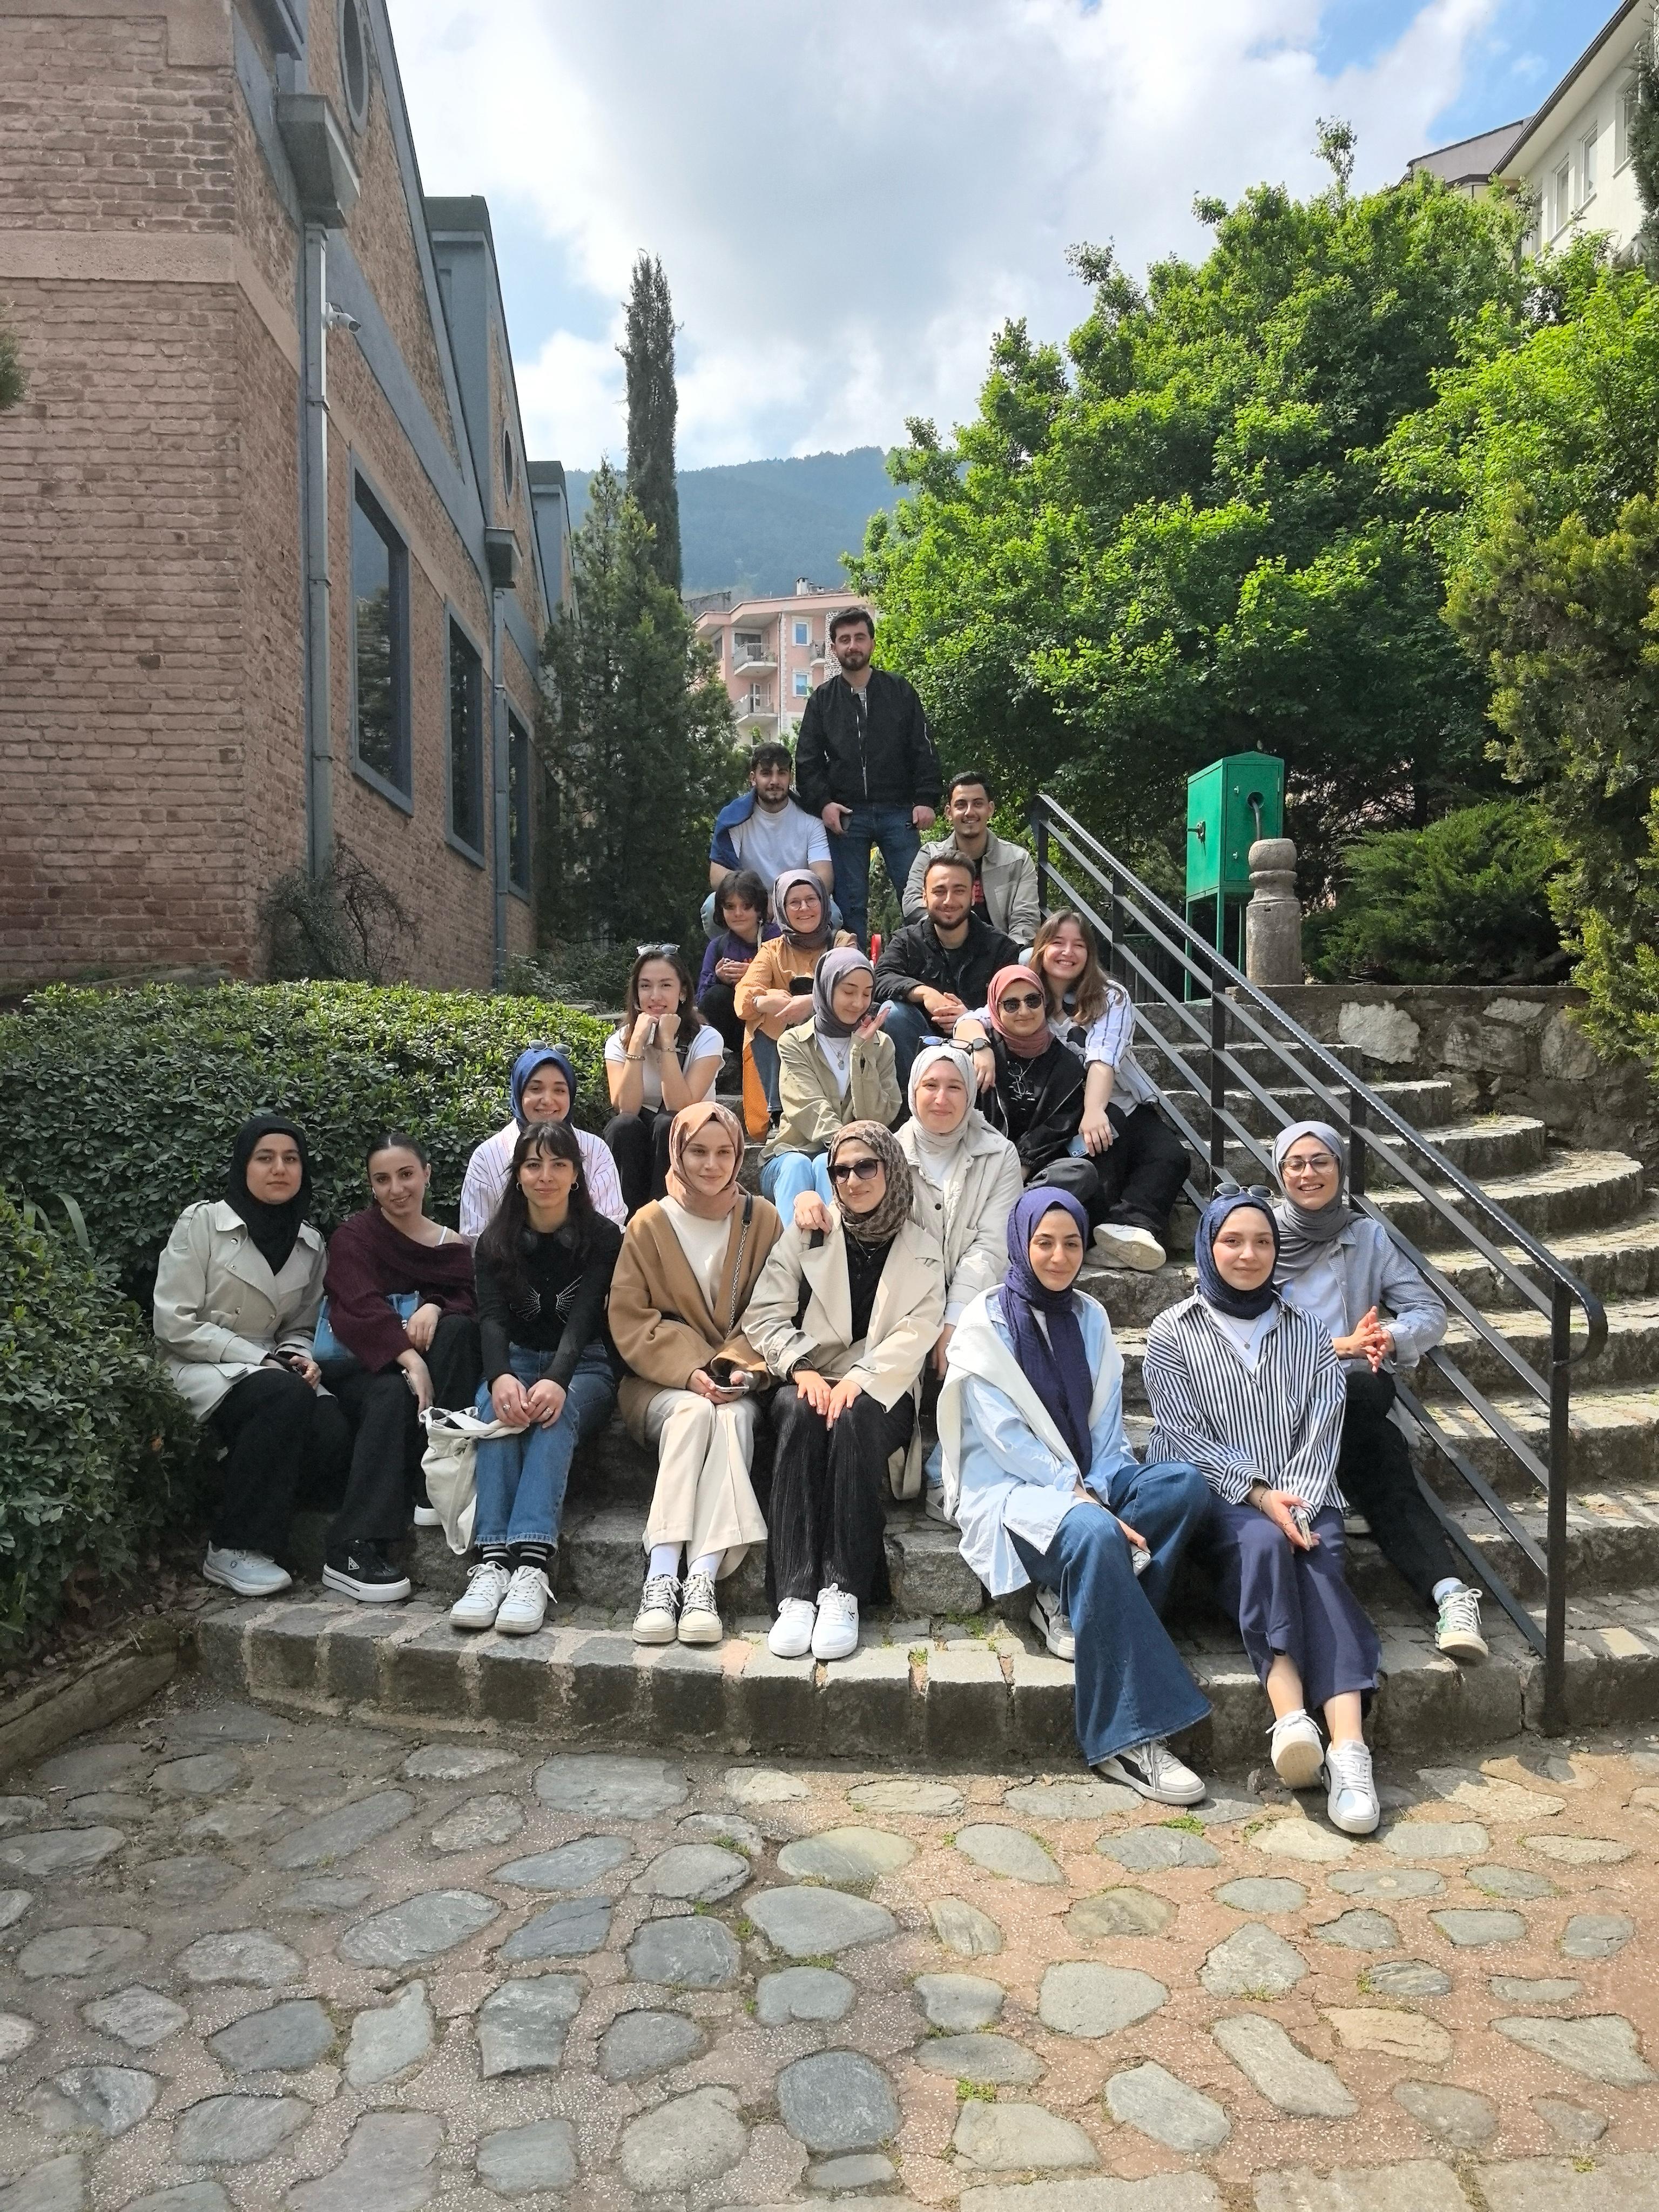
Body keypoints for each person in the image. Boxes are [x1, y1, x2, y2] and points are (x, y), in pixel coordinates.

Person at [939, 1191, 1212, 1801]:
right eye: (1045, 1242)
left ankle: (1078, 1603)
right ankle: (1127, 1736)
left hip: (1089, 1477)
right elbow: (1006, 1440)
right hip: (1012, 1490)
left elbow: (1106, 1429)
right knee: (1093, 1532)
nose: (1059, 1257)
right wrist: (1079, 1498)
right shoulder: (986, 1323)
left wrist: (1100, 1488)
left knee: (1182, 1487)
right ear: (1021, 1243)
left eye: (1071, 1243)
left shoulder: (1090, 1316)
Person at [1143, 1190, 1382, 1835]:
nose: (1248, 1254)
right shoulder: (1173, 1331)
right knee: (1263, 1544)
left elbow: (1324, 1425)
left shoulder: (1308, 1331)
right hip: (1220, 1496)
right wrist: (1257, 1493)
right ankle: (1290, 1715)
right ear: (1209, 1246)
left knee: (1320, 1561)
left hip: (1304, 1491)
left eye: (1263, 1242)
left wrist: (1293, 1496)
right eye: (1233, 1241)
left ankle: (1349, 1750)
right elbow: (1183, 1434)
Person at [1271, 1121, 1486, 1663]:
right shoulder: (1257, 1234)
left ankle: (1451, 1596)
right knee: (1372, 1422)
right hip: (1273, 1399)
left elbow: (1429, 1310)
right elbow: (1230, 1327)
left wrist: (1389, 1336)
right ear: (1280, 1173)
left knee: (1368, 1403)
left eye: (1321, 1160)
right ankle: (1343, 1488)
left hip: (1350, 1398)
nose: (1308, 1173)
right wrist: (1335, 1347)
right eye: (1295, 1163)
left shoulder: (1367, 1236)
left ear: (1340, 1168)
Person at [738, 1121, 945, 1662]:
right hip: (812, 1372)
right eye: (840, 1170)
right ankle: (794, 1592)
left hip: (883, 1386)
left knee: (854, 1417)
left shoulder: (924, 1248)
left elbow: (918, 1331)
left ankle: (842, 1588)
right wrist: (802, 1368)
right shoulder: (810, 1232)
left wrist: (859, 1380)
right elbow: (765, 1313)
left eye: (866, 1166)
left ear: (890, 1168)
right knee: (799, 1409)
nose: (852, 1180)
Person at [153, 1114, 349, 1598]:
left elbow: (301, 1325)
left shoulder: (309, 1243)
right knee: (283, 1397)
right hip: (199, 1363)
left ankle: (265, 1511)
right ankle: (233, 1546)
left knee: (332, 1429)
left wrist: (298, 1356)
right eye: (265, 1158)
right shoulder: (203, 1224)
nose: (279, 1169)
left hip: (270, 1368)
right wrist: (259, 1361)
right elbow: (174, 1322)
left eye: (291, 1159)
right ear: (244, 1166)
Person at [608, 1103, 782, 1647]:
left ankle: (701, 1576)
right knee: (691, 1415)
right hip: (659, 1383)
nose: (711, 1164)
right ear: (677, 1153)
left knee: (729, 1420)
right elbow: (631, 1317)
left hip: (738, 1380)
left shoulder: (763, 1220)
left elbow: (777, 1308)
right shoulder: (648, 1223)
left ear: (739, 1156)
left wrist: (735, 1371)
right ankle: (662, 1574)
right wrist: (689, 1371)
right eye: (698, 1151)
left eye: (724, 1152)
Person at [450, 1121, 623, 1636]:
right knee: (496, 1412)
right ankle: (491, 1563)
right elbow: (491, 1319)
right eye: (533, 1165)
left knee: (553, 1413)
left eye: (558, 1164)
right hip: (517, 1359)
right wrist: (500, 1376)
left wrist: (558, 1380)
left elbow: (585, 1316)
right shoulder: (494, 1242)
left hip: (585, 1365)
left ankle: (531, 1564)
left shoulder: (602, 1237)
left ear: (576, 1174)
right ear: (518, 1175)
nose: (545, 1176)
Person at [957, 913, 1188, 1272]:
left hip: (1116, 1101)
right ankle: (1095, 1232)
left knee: (1170, 1156)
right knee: (1093, 1160)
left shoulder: (1111, 997)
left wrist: (1095, 1110)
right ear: (1041, 948)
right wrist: (979, 1045)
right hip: (1064, 1109)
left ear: (1090, 953)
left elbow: (1103, 1058)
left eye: (1078, 945)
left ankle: (1128, 1229)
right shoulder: (1028, 992)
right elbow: (974, 1018)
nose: (1068, 952)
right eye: (1058, 943)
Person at [316, 1132, 481, 1602]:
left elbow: (469, 1298)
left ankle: (437, 1475)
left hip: (429, 1366)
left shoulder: (451, 1246)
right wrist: (408, 1359)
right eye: (383, 1179)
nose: (396, 1189)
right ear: (372, 1186)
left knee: (458, 1330)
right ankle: (353, 1547)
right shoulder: (354, 1238)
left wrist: (434, 1304)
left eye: (406, 1174)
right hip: (362, 1367)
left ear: (426, 1174)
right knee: (389, 1393)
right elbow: (356, 1306)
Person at [795, 606, 942, 947]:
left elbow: (922, 747)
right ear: (834, 647)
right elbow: (808, 761)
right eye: (844, 639)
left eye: (860, 637)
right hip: (846, 816)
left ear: (872, 643)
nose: (853, 646)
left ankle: (928, 964)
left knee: (917, 898)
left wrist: (926, 799)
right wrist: (824, 804)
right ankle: (852, 972)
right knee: (851, 907)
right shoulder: (822, 701)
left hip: (899, 811)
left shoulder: (899, 691)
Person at [761, 947, 901, 1212]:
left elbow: (876, 1117)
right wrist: (846, 1148)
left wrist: (861, 1052)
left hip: (857, 1163)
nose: (858, 1003)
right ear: (827, 988)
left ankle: (837, 1239)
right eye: (849, 992)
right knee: (801, 1165)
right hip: (792, 1154)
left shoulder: (882, 1045)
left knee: (829, 1166)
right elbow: (808, 1106)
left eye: (867, 994)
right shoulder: (794, 1042)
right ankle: (792, 1242)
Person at [874, 854, 1021, 1092]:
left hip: (981, 1049)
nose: (949, 900)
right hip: (921, 1047)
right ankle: (913, 1102)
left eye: (959, 891)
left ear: (973, 896)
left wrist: (970, 1019)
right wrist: (924, 993)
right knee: (893, 1013)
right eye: (939, 891)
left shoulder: (1001, 948)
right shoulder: (907, 940)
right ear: (925, 896)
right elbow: (880, 977)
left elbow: (1014, 1002)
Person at [460, 1044, 625, 1238]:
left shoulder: (595, 1150)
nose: (547, 1100)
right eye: (536, 1089)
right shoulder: (487, 1157)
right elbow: (475, 1236)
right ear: (519, 1092)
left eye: (559, 1090)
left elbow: (611, 1226)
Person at [604, 949, 724, 1216]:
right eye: (645, 986)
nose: (655, 996)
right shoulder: (618, 1041)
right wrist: (637, 1043)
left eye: (666, 986)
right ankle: (625, 1221)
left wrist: (667, 1042)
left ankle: (666, 1219)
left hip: (693, 1133)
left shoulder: (707, 1039)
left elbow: (680, 1106)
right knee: (623, 1126)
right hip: (638, 1136)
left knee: (667, 1123)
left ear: (683, 992)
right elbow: (625, 1108)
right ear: (636, 994)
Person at [734, 871, 857, 1118]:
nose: (804, 908)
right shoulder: (772, 950)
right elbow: (743, 998)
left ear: (823, 902)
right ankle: (777, 1112)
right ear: (782, 908)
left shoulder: (842, 943)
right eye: (794, 902)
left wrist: (813, 1002)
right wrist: (763, 1001)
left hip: (835, 1034)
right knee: (763, 1013)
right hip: (786, 1034)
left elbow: (854, 988)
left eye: (811, 899)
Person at [705, 739, 834, 932]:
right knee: (711, 908)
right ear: (753, 778)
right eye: (766, 773)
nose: (775, 781)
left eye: (782, 773)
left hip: (796, 900)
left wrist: (783, 902)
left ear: (790, 777)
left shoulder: (811, 817)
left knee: (834, 914)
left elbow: (824, 878)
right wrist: (762, 900)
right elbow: (718, 875)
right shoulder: (733, 817)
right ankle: (731, 951)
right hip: (751, 901)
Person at [900, 767, 1041, 942]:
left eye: (978, 804)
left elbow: (1026, 918)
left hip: (1002, 949)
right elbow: (912, 904)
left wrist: (1008, 951)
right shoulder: (931, 856)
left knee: (1027, 955)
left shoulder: (1018, 860)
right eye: (961, 805)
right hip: (942, 947)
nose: (969, 812)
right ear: (949, 813)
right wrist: (950, 932)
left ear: (990, 809)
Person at [696, 869, 778, 1065]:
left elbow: (793, 984)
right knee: (716, 996)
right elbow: (702, 1002)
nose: (738, 914)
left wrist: (755, 976)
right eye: (730, 907)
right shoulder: (718, 947)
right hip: (738, 1029)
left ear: (759, 908)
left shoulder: (779, 939)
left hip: (775, 1022)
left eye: (746, 906)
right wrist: (718, 978)